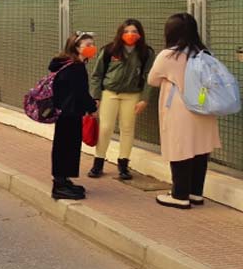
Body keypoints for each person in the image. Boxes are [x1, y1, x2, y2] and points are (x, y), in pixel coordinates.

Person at [148, 13, 222, 209]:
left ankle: (179, 195)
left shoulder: (168, 55)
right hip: (204, 107)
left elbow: (152, 80)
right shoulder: (204, 53)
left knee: (180, 149)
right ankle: (195, 193)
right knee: (200, 149)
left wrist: (170, 78)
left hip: (180, 109)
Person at [88, 19, 156, 180]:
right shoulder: (110, 50)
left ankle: (123, 165)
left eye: (134, 31)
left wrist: (144, 99)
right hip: (110, 93)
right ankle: (98, 163)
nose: (130, 35)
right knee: (105, 128)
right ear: (120, 33)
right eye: (126, 31)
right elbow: (97, 75)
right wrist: (95, 97)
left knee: (127, 128)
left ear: (140, 34)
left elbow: (149, 78)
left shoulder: (146, 53)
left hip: (132, 95)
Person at [49, 32, 99, 201]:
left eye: (92, 44)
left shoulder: (66, 64)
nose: (92, 48)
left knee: (65, 146)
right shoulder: (76, 67)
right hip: (69, 112)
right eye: (87, 45)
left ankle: (64, 180)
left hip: (65, 112)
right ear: (76, 48)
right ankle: (59, 186)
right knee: (66, 147)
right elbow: (80, 93)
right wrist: (92, 107)